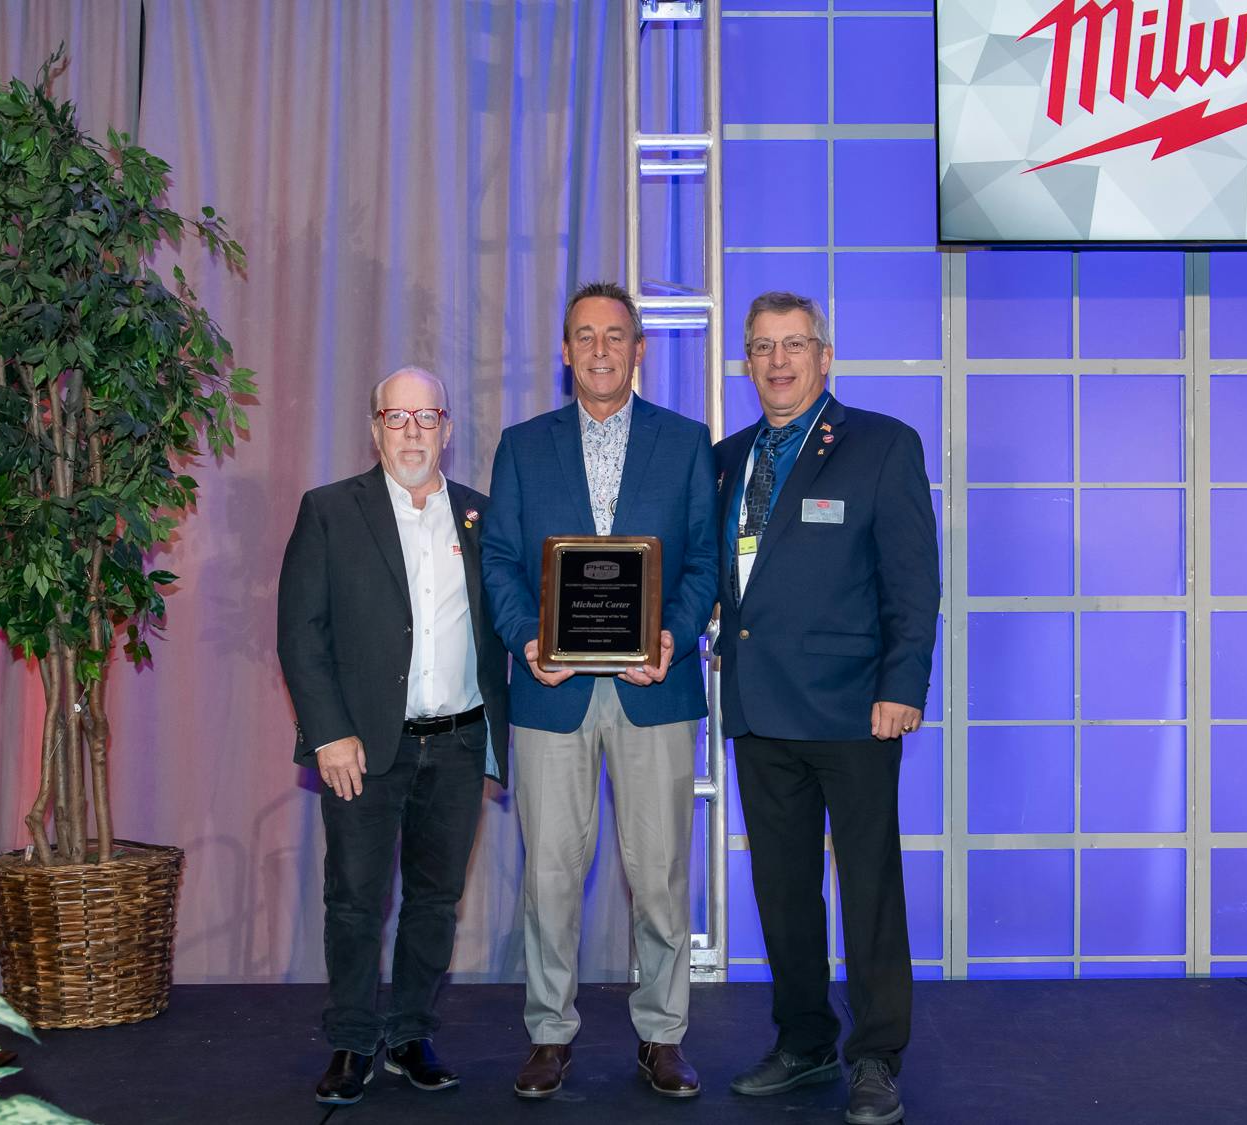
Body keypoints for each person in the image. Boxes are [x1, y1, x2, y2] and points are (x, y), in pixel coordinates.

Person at [480, 281, 719, 1099]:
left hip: (656, 686)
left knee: (660, 875)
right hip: (553, 692)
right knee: (549, 875)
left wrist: (672, 634)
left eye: (615, 335)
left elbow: (703, 562)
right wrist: (527, 637)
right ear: (564, 351)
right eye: (584, 336)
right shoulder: (522, 446)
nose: (600, 350)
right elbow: (500, 559)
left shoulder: (686, 443)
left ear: (639, 350)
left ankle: (663, 1034)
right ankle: (549, 1031)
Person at [714, 291, 940, 1125]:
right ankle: (804, 1039)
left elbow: (913, 580)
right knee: (783, 892)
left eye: (794, 344)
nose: (778, 361)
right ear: (747, 361)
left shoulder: (881, 443)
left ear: (824, 354)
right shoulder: (724, 459)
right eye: (762, 347)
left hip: (854, 712)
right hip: (757, 709)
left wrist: (902, 685)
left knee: (869, 890)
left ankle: (876, 1055)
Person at [276, 366, 511, 1106]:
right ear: (375, 429)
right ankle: (351, 1040)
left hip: (459, 742)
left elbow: (514, 618)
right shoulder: (329, 510)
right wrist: (329, 734)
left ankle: (411, 1033)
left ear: (447, 429)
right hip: (364, 747)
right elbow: (300, 634)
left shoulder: (481, 516)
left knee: (436, 900)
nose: (412, 431)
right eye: (396, 417)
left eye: (426, 417)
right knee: (354, 900)